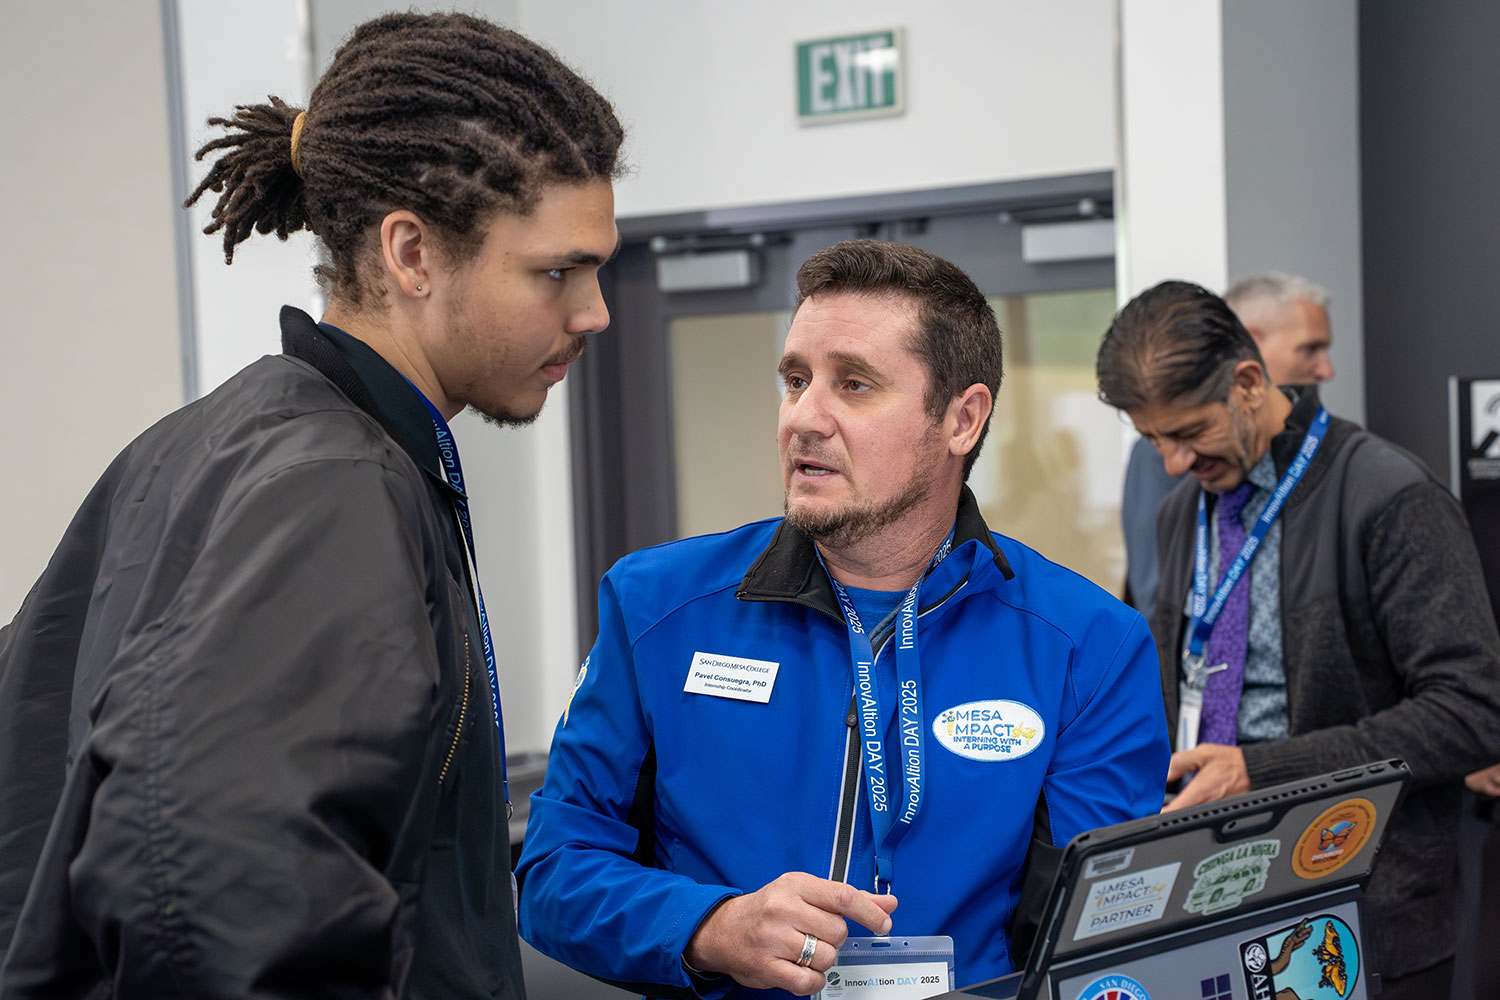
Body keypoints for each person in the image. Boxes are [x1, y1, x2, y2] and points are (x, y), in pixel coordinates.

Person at [0, 13, 622, 998]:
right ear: (412, 253)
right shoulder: (337, 484)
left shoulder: (213, 441)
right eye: (557, 272)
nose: (593, 311)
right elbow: (215, 889)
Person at [517, 240, 1169, 998]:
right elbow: (555, 871)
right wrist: (707, 925)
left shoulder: (1090, 646)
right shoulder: (655, 606)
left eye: (854, 385)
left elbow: (1102, 937)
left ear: (963, 419)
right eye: (795, 380)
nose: (804, 418)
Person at [1095, 280, 1500, 999]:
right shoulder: (1179, 516)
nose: (1172, 463)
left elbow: (1473, 711)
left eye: (1188, 433)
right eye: (1152, 439)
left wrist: (1261, 770)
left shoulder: (1389, 496)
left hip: (1360, 921)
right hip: (1206, 915)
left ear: (1248, 383)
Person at [1121, 272, 1333, 616]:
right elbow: (1157, 598)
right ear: (1250, 342)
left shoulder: (1329, 456)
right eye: (1310, 349)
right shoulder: (1163, 456)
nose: (1326, 369)